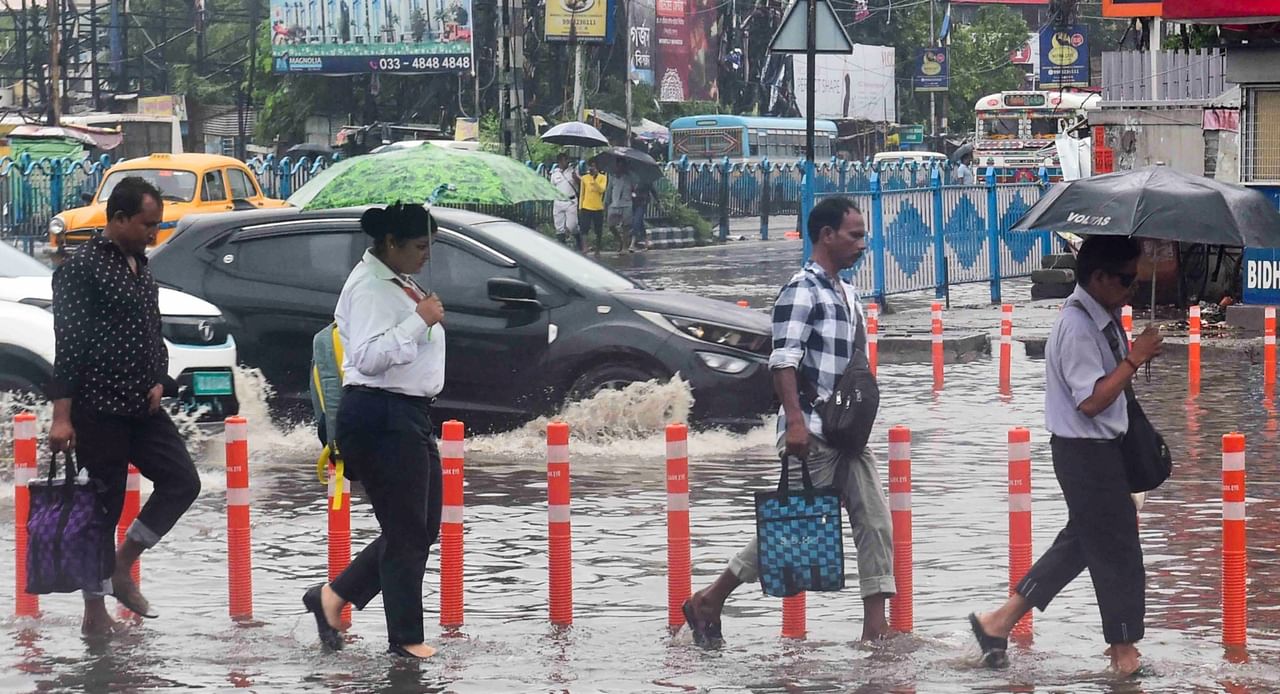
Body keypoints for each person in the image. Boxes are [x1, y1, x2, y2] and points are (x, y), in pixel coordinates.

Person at [681, 196, 896, 647]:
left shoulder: (848, 294)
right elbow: (783, 361)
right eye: (855, 235)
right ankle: (710, 599)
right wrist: (795, 422)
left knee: (875, 523)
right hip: (812, 432)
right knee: (791, 528)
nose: (863, 244)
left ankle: (875, 633)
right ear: (826, 236)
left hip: (848, 433)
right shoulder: (801, 289)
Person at [968, 235, 1162, 675]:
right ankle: (1125, 654)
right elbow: (1090, 401)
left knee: (1081, 544)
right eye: (1127, 279)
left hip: (1101, 450)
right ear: (1099, 277)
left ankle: (998, 622)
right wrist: (1135, 358)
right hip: (1085, 453)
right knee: (1119, 552)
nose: (1133, 288)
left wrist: (1133, 356)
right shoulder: (1076, 326)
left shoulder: (1103, 317)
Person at [49, 176, 202, 635]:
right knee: (102, 507)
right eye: (146, 224)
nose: (153, 234)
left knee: (183, 482)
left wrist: (160, 377)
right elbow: (68, 345)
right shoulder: (82, 269)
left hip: (143, 406)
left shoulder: (142, 263)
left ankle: (122, 564)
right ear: (117, 219)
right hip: (98, 408)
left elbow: (152, 330)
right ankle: (94, 613)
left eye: (157, 225)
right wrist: (61, 416)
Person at [302, 203, 446, 659]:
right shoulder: (369, 287)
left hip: (410, 415)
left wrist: (418, 313)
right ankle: (405, 639)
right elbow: (365, 358)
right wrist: (418, 320)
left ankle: (331, 597)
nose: (426, 254)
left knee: (421, 527)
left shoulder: (399, 282)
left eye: (430, 246)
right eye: (420, 246)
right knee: (405, 532)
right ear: (391, 244)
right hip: (381, 416)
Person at [605, 161, 635, 252]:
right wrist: (605, 203)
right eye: (617, 166)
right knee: (611, 225)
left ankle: (625, 247)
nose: (618, 168)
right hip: (614, 204)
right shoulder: (612, 177)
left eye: (621, 166)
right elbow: (608, 191)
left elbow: (635, 187)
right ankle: (620, 241)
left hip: (626, 204)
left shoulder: (629, 177)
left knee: (626, 227)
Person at [550, 154, 580, 246]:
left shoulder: (573, 171)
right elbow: (552, 187)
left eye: (564, 160)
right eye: (561, 161)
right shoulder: (555, 173)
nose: (563, 163)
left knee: (572, 225)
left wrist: (576, 177)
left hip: (570, 201)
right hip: (558, 201)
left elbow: (581, 184)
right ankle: (562, 246)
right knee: (559, 227)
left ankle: (579, 241)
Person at [579, 161, 608, 253]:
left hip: (598, 207)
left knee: (598, 229)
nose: (592, 169)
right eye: (591, 167)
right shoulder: (584, 178)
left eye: (594, 167)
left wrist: (594, 181)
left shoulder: (602, 178)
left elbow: (601, 190)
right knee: (584, 228)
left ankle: (598, 248)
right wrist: (580, 207)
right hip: (586, 206)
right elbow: (582, 193)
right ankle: (584, 247)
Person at [630, 178, 654, 252]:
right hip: (634, 203)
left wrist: (658, 201)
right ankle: (646, 241)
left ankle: (632, 244)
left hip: (642, 203)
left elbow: (653, 190)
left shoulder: (646, 180)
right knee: (640, 222)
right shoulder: (632, 179)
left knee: (636, 221)